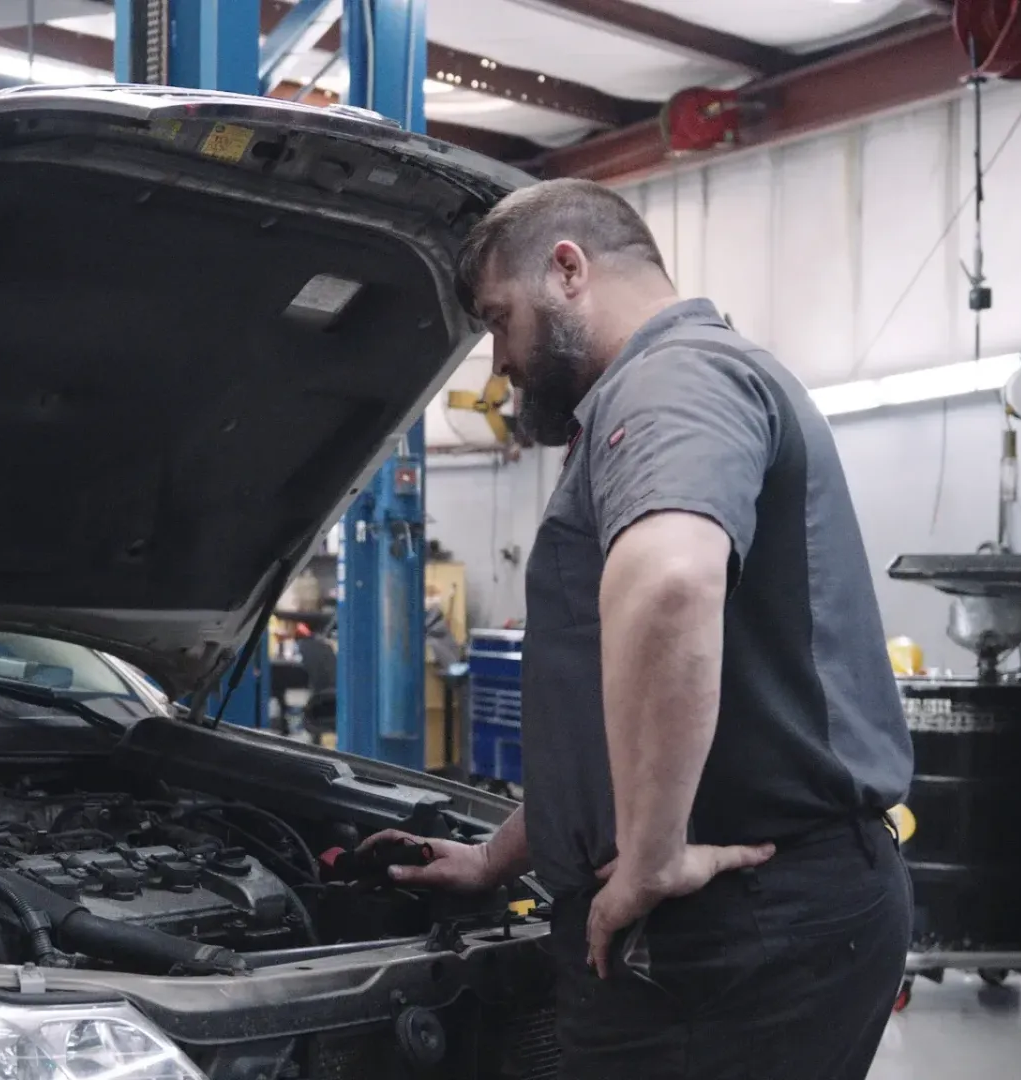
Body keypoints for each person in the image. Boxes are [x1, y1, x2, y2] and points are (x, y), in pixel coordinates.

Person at [364, 178, 914, 1080]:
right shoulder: (678, 386)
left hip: (731, 928)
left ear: (568, 270)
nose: (498, 361)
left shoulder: (672, 379)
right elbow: (616, 715)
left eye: (500, 319)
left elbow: (668, 585)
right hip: (761, 917)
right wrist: (498, 857)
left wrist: (650, 859)